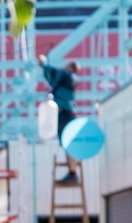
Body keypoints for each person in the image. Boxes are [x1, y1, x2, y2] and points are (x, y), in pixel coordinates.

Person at [39, 55, 81, 185]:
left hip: (65, 114)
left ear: (71, 68)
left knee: (68, 143)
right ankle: (72, 172)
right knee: (67, 143)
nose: (65, 66)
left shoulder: (66, 77)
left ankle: (73, 173)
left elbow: (53, 74)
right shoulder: (70, 79)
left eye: (67, 65)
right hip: (67, 114)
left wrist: (44, 63)